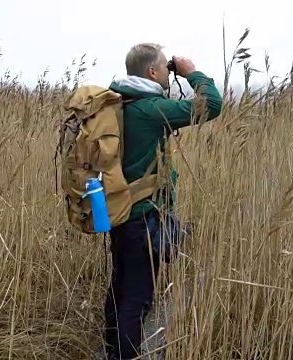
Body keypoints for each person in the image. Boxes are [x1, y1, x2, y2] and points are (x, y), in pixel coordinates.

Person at [102, 43, 223, 359]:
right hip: (142, 217)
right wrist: (191, 72)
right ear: (152, 72)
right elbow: (211, 104)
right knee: (137, 299)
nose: (170, 73)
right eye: (165, 68)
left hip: (117, 212)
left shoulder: (119, 103)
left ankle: (111, 351)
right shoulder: (149, 110)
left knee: (120, 286)